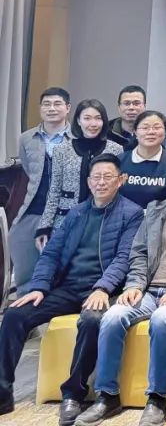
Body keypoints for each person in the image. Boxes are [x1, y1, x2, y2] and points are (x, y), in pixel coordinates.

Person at [74, 150, 166, 426]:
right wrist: (135, 285)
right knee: (113, 316)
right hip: (149, 290)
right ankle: (107, 395)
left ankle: (156, 398)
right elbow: (139, 253)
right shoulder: (155, 210)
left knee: (163, 320)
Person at [0, 154, 142, 423]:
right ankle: (3, 393)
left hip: (104, 290)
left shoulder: (132, 213)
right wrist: (39, 287)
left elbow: (124, 258)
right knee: (15, 315)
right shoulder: (76, 213)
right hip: (67, 288)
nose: (101, 182)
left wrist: (103, 288)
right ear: (88, 182)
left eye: (108, 177)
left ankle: (73, 394)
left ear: (121, 180)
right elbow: (51, 253)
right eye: (96, 177)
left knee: (91, 320)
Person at [9, 86, 71, 294]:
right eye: (46, 104)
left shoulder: (77, 138)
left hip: (65, 212)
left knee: (58, 270)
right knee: (24, 262)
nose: (51, 108)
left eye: (57, 104)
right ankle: (23, 303)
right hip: (33, 208)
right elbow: (29, 171)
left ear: (68, 108)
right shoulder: (26, 138)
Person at [40, 99, 124, 237]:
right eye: (87, 118)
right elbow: (54, 190)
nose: (93, 123)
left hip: (103, 223)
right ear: (79, 121)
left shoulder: (116, 149)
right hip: (66, 221)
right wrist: (44, 226)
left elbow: (118, 189)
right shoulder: (62, 150)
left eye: (98, 118)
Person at [118, 111, 166, 208]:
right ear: (135, 132)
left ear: (165, 132)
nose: (151, 132)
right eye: (145, 128)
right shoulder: (119, 161)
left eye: (157, 127)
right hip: (123, 216)